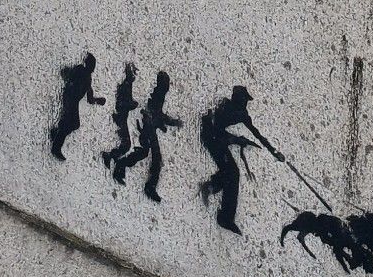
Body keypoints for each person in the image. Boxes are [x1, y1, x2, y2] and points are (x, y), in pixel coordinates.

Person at [199, 85, 283, 234]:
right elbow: (214, 127)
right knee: (232, 171)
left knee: (232, 172)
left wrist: (273, 151)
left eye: (246, 100)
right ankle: (215, 195)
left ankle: (214, 191)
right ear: (236, 98)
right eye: (244, 99)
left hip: (220, 137)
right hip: (211, 136)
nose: (245, 103)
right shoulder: (224, 106)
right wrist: (236, 139)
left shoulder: (242, 114)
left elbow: (257, 134)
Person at [113, 70, 181, 201]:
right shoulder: (158, 96)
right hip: (147, 128)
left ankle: (122, 167)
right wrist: (171, 122)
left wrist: (165, 123)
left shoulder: (158, 96)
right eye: (166, 86)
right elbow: (157, 113)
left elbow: (158, 114)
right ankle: (149, 186)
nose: (166, 89)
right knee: (154, 157)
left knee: (146, 153)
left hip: (148, 128)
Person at [49, 52, 105, 160]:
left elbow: (90, 97)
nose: (93, 68)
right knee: (71, 123)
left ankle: (57, 135)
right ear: (88, 64)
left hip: (73, 101)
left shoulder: (88, 77)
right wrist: (70, 84)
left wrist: (98, 100)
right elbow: (66, 73)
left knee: (71, 123)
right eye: (92, 65)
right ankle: (56, 147)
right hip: (70, 98)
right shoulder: (80, 70)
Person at [102, 63, 139, 178]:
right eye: (133, 74)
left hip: (122, 117)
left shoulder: (128, 85)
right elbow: (121, 103)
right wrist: (132, 105)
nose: (134, 77)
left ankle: (113, 158)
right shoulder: (126, 85)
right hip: (120, 118)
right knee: (126, 143)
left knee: (126, 143)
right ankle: (110, 156)